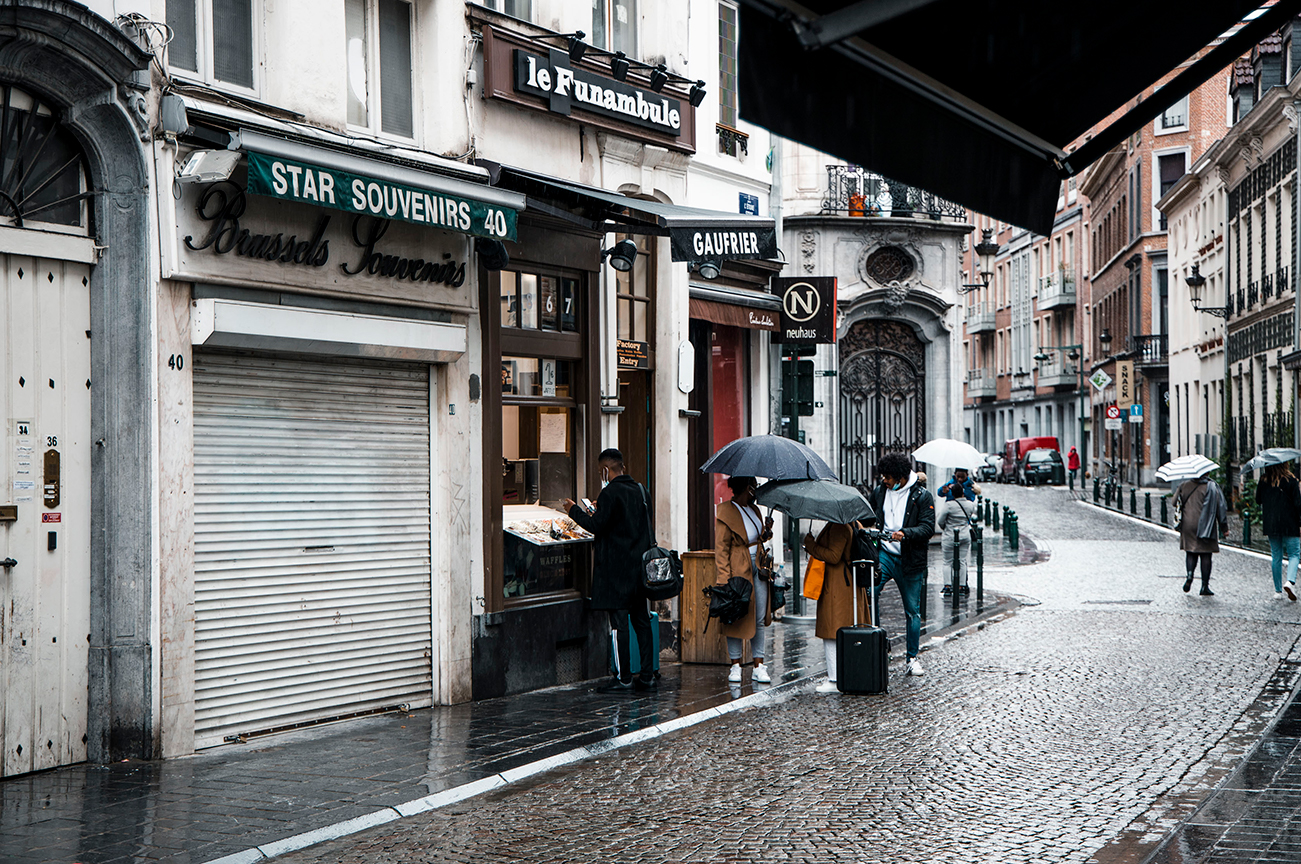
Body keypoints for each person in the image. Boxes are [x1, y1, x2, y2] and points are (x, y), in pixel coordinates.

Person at [563, 449, 656, 691]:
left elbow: (596, 526)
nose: (600, 476)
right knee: (642, 622)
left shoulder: (609, 493)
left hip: (616, 572)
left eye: (599, 472)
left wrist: (574, 510)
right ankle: (647, 675)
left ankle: (623, 677)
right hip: (639, 571)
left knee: (619, 625)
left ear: (606, 470)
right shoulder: (641, 490)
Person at [865, 452, 936, 676]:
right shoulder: (879, 492)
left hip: (910, 559)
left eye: (888, 477)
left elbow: (927, 528)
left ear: (901, 477)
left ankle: (912, 657)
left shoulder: (922, 496)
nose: (884, 480)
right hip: (884, 554)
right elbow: (868, 515)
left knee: (912, 611)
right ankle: (879, 644)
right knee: (870, 593)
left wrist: (905, 533)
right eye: (883, 476)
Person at [715, 476, 776, 683]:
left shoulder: (755, 510)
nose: (756, 490)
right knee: (736, 615)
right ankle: (735, 665)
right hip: (737, 567)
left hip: (758, 566)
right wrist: (723, 579)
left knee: (759, 615)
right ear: (746, 487)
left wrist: (766, 531)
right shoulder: (726, 511)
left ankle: (758, 664)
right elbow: (721, 548)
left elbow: (757, 538)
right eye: (754, 486)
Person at [803, 521, 868, 694]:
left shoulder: (840, 526)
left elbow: (833, 556)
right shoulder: (853, 523)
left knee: (832, 630)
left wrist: (811, 545)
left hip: (838, 584)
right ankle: (845, 674)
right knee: (842, 629)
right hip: (846, 583)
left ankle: (835, 679)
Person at [1174, 471, 1228, 597]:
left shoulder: (1184, 485)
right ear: (1207, 472)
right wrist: (1224, 527)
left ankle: (1189, 574)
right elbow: (1220, 507)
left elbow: (1174, 502)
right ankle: (1204, 586)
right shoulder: (1212, 486)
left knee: (1191, 551)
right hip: (1206, 524)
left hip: (1188, 524)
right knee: (1206, 555)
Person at [1256, 462, 1301, 601]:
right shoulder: (1291, 480)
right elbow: (1298, 504)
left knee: (1276, 555)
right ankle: (1290, 581)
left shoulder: (1264, 480)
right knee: (1294, 554)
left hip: (1272, 523)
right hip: (1290, 522)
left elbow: (1258, 500)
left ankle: (1278, 591)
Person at [937, 469, 980, 595]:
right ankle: (961, 586)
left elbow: (940, 520)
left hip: (950, 533)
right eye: (958, 476)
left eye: (962, 477)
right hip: (964, 532)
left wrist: (945, 527)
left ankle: (948, 586)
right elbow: (941, 492)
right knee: (962, 560)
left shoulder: (949, 505)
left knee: (947, 561)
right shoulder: (970, 504)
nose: (960, 479)